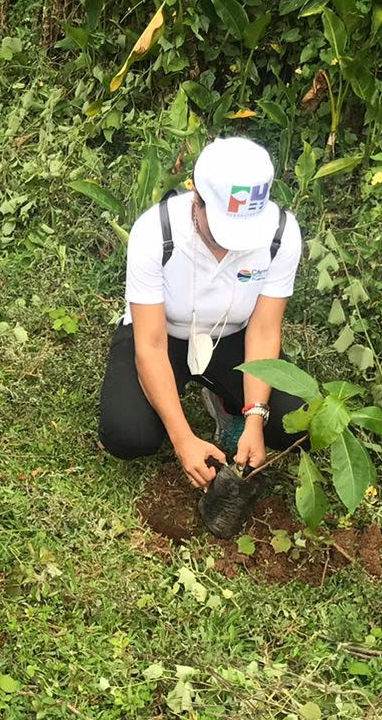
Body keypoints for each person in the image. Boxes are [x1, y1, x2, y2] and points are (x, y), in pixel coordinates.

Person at [97, 137, 307, 531]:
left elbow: (263, 331)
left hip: (235, 339)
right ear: (197, 199)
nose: (235, 244)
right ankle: (182, 409)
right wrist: (183, 439)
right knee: (129, 435)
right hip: (165, 335)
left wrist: (256, 419)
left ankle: (228, 407)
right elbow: (150, 344)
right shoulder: (155, 231)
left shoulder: (280, 234)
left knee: (296, 420)